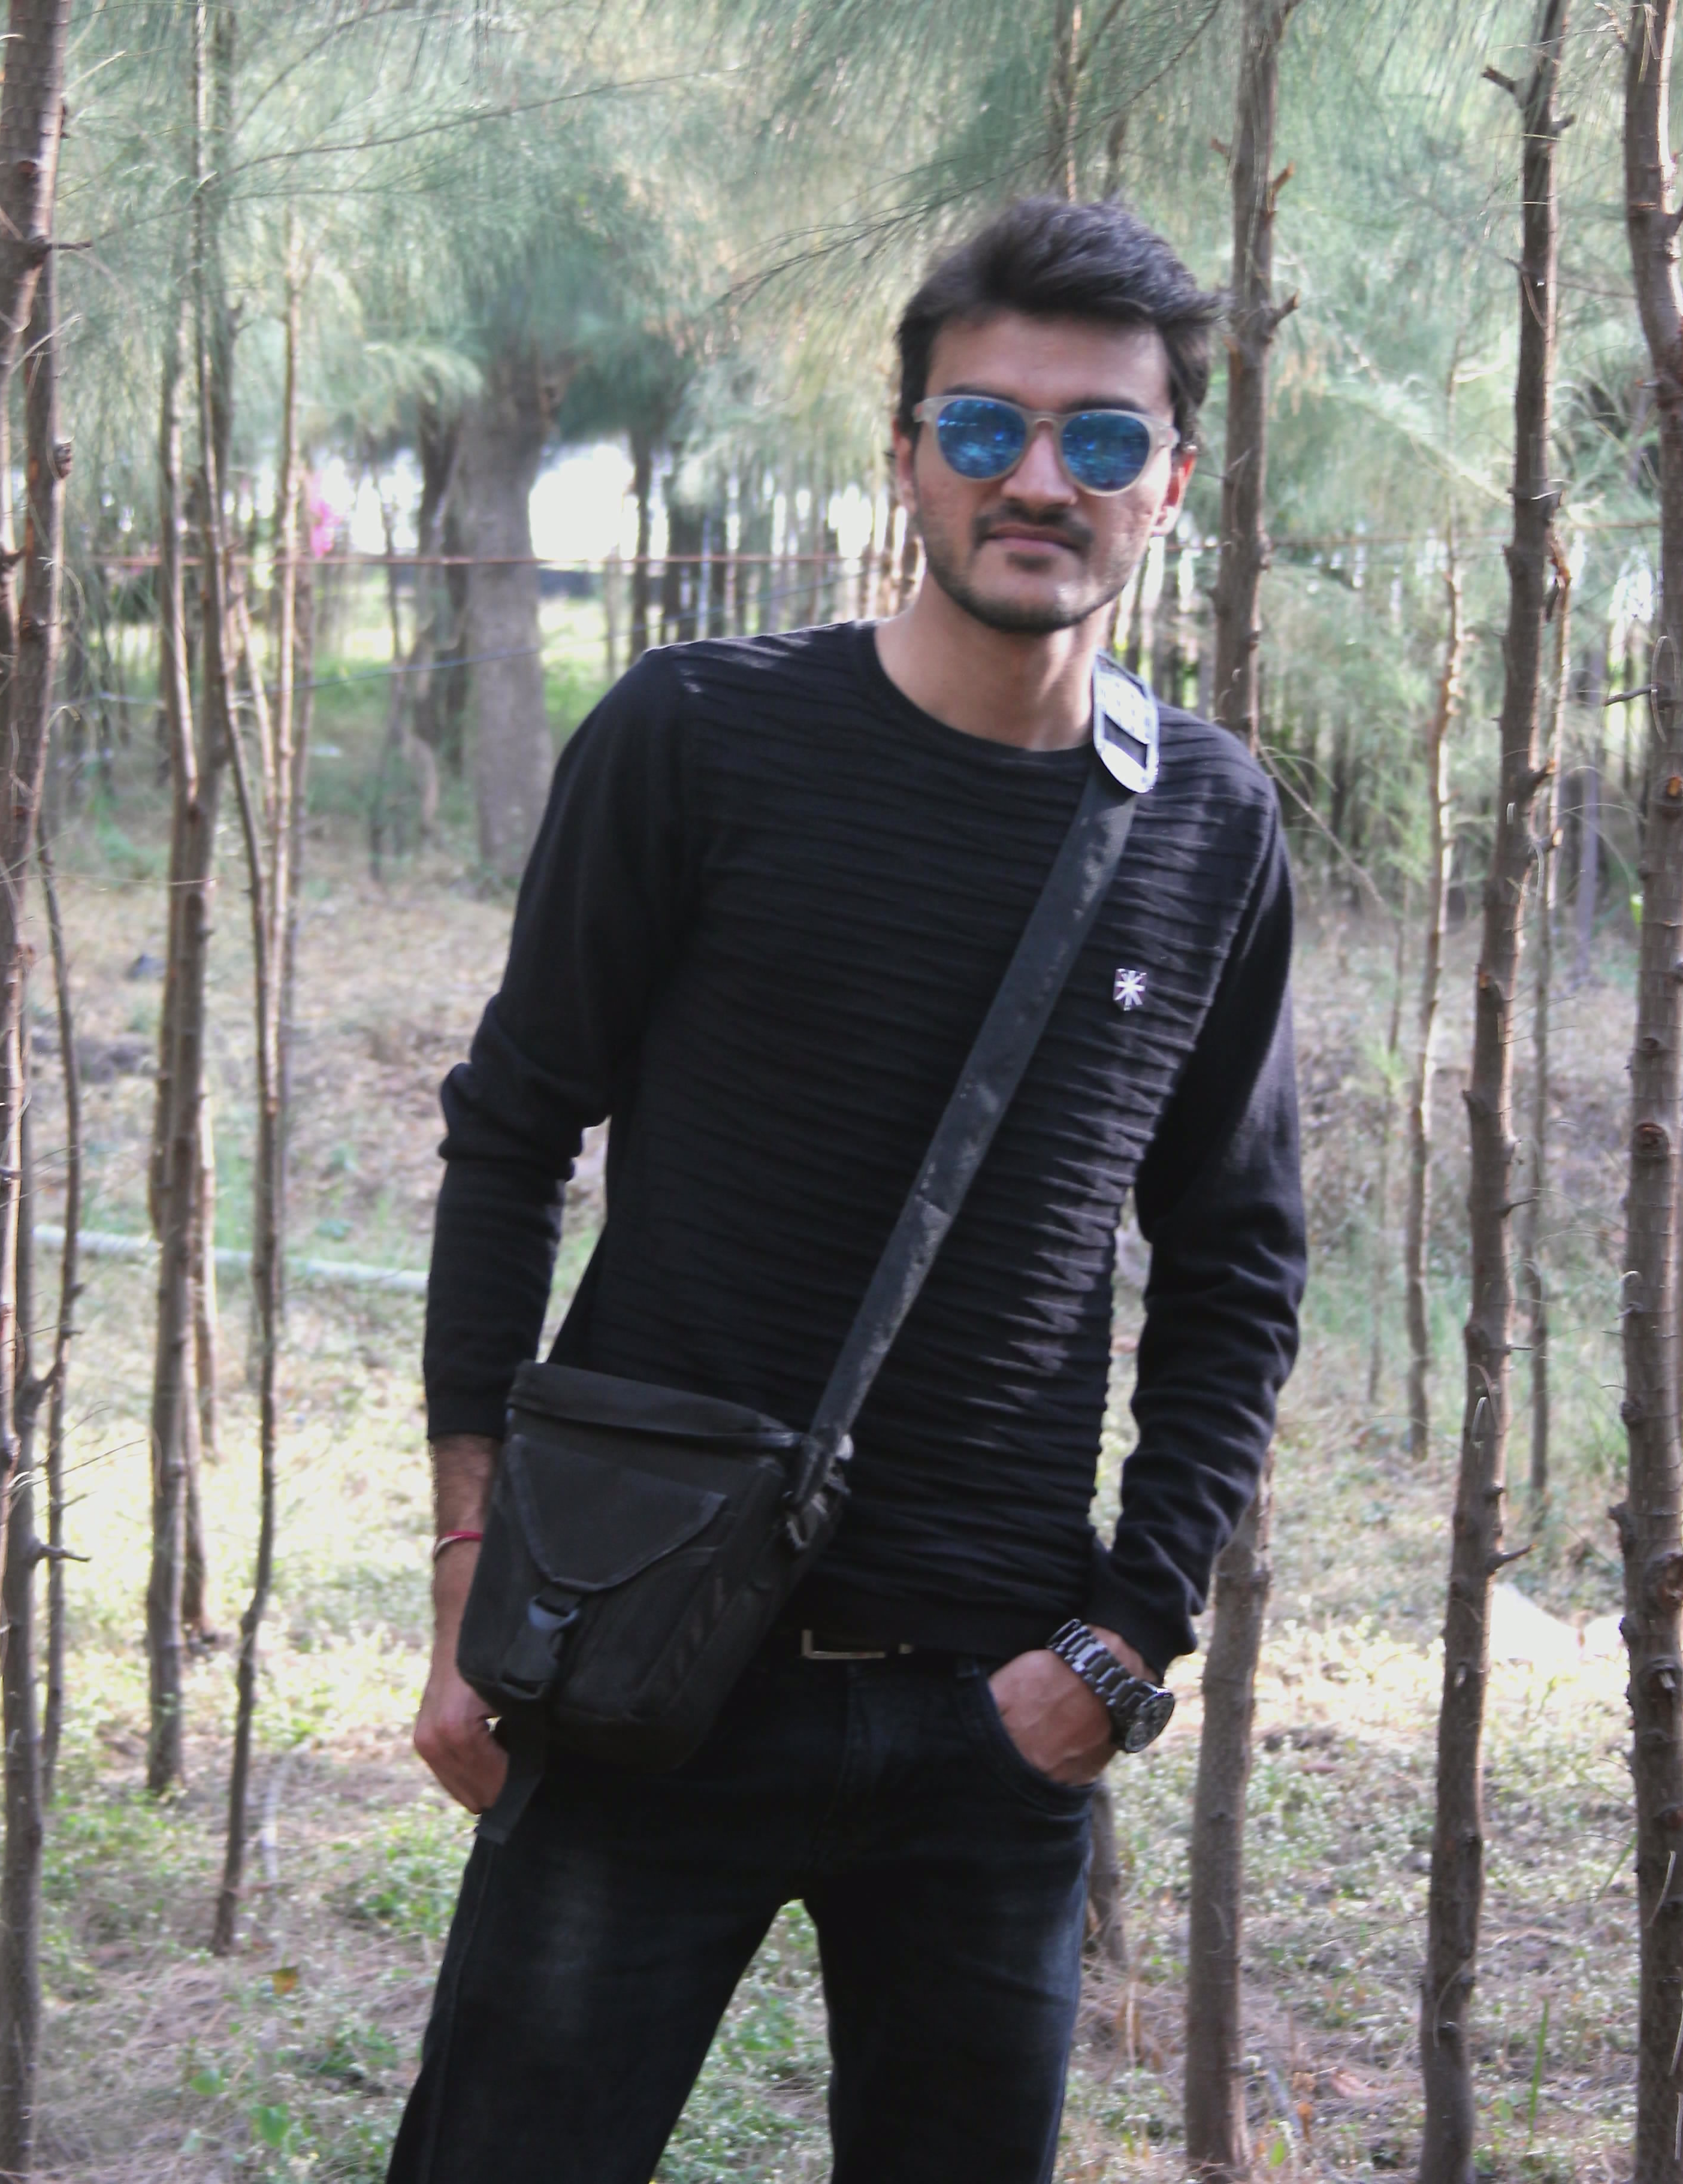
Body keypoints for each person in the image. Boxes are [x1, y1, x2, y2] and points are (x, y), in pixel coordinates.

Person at [389, 195, 1306, 2184]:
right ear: (906, 458)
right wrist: (471, 1575)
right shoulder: (699, 739)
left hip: (994, 1723)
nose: (1040, 480)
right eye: (984, 428)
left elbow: (1238, 1263)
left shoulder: (1212, 827)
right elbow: (513, 1131)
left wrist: (1123, 1645)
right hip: (645, 1667)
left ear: (1171, 482)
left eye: (1103, 437)